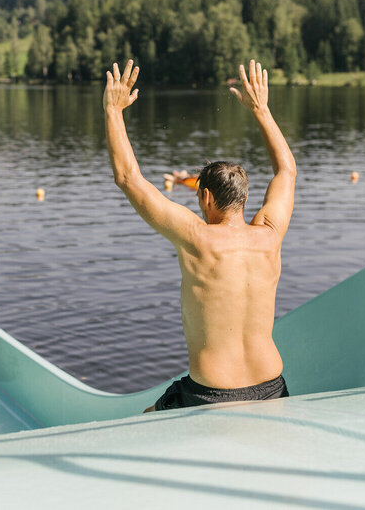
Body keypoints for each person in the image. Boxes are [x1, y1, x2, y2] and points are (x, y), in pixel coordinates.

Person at [103, 59, 296, 411]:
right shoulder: (270, 235)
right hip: (272, 386)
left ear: (206, 197)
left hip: (209, 393)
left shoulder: (196, 238)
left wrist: (114, 111)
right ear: (244, 198)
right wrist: (262, 110)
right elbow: (286, 170)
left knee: (142, 423)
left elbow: (129, 178)